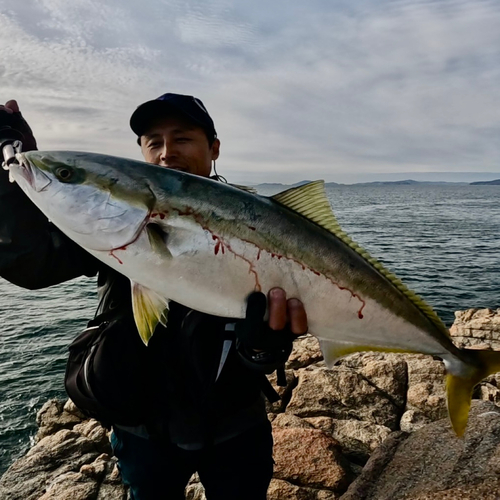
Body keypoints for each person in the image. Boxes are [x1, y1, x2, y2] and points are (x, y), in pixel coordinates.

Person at [0, 94, 308, 499]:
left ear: (214, 148)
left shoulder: (257, 220)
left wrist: (264, 351)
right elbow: (31, 262)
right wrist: (13, 170)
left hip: (235, 422)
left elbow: (296, 311)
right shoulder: (115, 222)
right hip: (142, 428)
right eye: (153, 142)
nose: (166, 153)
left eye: (182, 139)